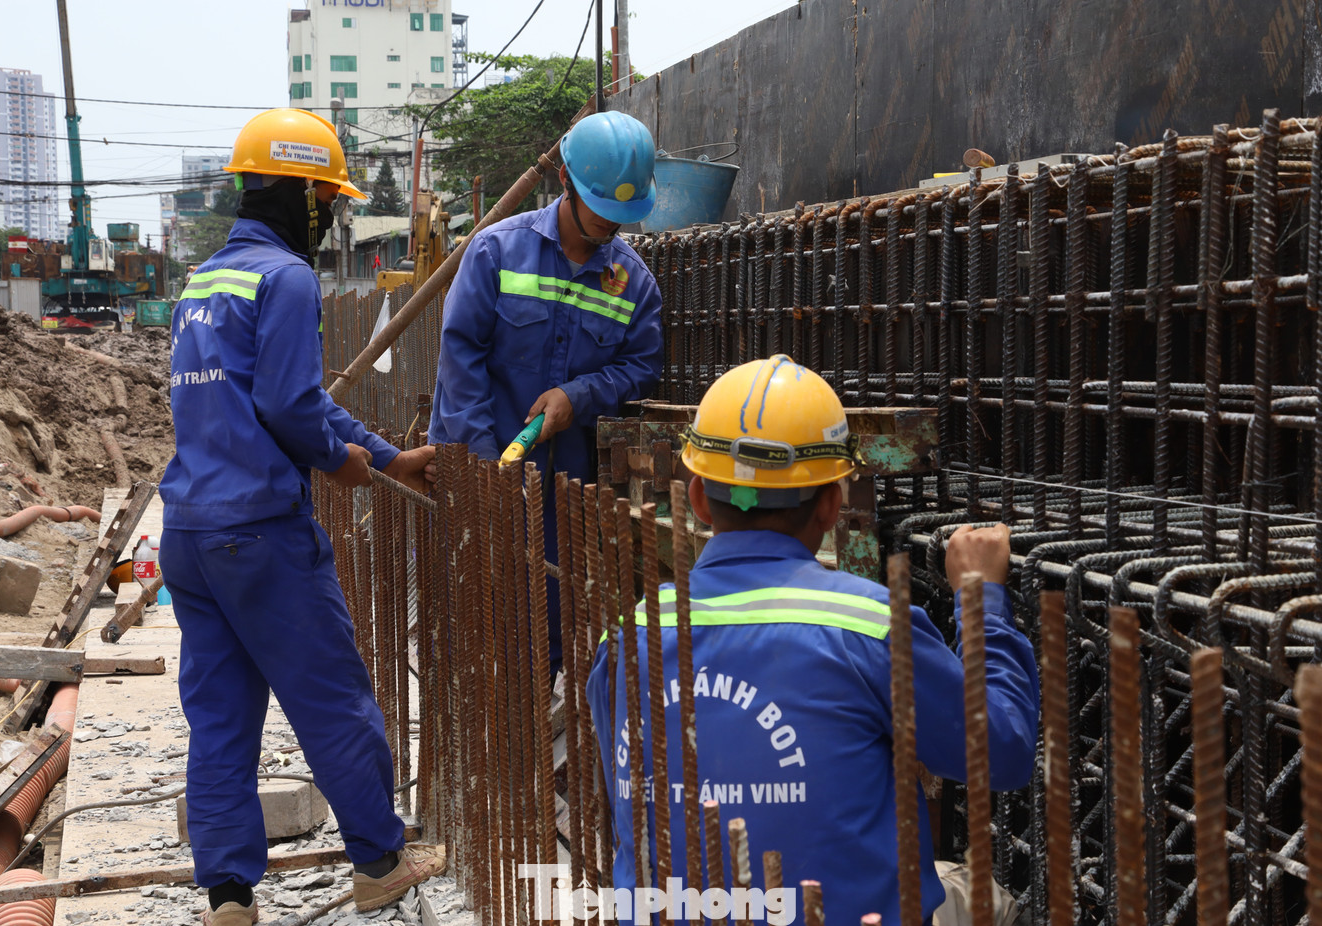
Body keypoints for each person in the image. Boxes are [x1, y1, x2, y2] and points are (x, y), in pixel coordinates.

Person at [588, 355, 1041, 926]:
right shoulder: (869, 627)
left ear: (698, 498)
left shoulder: (628, 639)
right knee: (989, 901)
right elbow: (1001, 751)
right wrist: (981, 600)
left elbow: (632, 802)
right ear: (831, 504)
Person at [159, 108, 444, 926]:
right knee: (332, 696)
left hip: (191, 534)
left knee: (219, 716)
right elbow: (289, 407)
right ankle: (381, 862)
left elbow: (294, 398)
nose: (333, 215)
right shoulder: (284, 280)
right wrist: (342, 464)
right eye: (328, 198)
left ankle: (228, 896)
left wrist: (386, 455)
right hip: (261, 533)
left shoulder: (204, 282)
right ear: (298, 192)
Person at [429, 110, 664, 671]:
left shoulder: (635, 283)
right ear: (565, 182)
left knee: (548, 627)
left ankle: (535, 733)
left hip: (564, 486)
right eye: (602, 211)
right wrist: (486, 472)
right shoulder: (494, 253)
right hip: (479, 469)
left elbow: (641, 366)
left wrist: (578, 395)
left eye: (621, 216)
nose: (612, 226)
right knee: (476, 621)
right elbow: (460, 363)